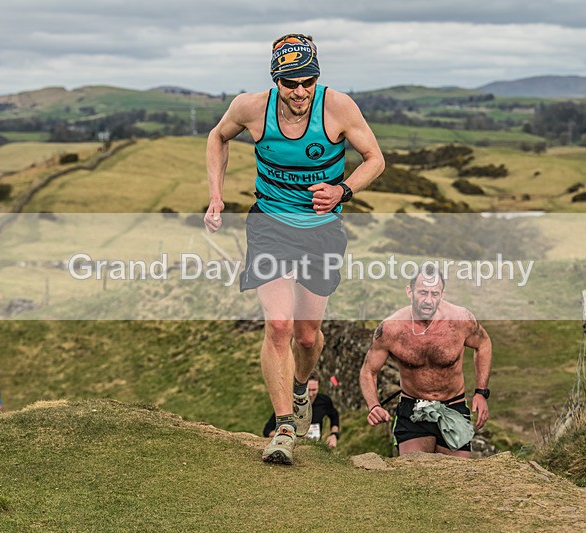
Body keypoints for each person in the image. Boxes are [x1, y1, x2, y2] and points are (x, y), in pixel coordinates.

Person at [205, 34, 384, 464]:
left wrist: (342, 189)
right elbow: (217, 137)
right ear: (276, 81)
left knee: (307, 337)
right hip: (269, 226)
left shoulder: (337, 107)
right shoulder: (251, 108)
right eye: (290, 82)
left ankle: (302, 388)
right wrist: (216, 196)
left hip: (322, 231)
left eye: (308, 80)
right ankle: (284, 427)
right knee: (280, 327)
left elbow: (374, 158)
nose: (300, 91)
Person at [359, 266, 492, 458]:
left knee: (459, 479)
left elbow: (484, 344)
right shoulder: (391, 329)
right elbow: (368, 370)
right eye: (422, 293)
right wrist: (374, 405)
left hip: (453, 406)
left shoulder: (460, 320)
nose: (428, 300)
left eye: (434, 294)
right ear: (409, 291)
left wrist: (481, 392)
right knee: (415, 474)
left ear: (442, 294)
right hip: (413, 408)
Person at [262, 372, 340, 448]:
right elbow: (267, 431)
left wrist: (334, 435)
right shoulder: (290, 403)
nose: (311, 394)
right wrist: (292, 435)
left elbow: (334, 416)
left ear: (319, 387)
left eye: (314, 390)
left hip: (315, 448)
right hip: (295, 447)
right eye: (308, 390)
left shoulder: (325, 401)